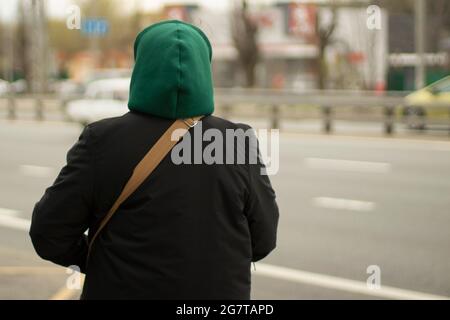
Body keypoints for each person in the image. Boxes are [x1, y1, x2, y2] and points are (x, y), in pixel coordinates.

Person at [29, 20, 279, 300]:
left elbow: (48, 233)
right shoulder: (236, 140)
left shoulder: (101, 140)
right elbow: (264, 238)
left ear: (143, 69)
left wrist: (102, 260)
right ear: (203, 70)